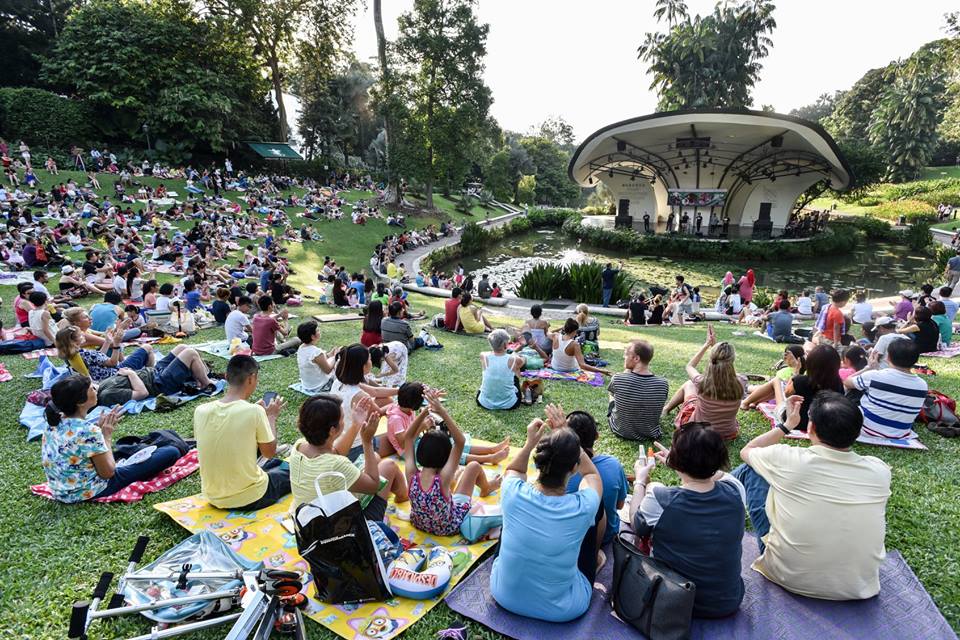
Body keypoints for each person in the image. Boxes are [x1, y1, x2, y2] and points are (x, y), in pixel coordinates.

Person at [734, 392, 891, 600]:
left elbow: (748, 449)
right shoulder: (880, 471)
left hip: (788, 575)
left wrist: (787, 425)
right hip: (858, 585)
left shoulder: (787, 459)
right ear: (857, 431)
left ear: (811, 428)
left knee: (752, 469)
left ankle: (705, 499)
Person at [490, 414, 602, 623]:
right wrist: (569, 438)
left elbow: (514, 469)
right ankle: (596, 560)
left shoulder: (512, 491)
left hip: (503, 595)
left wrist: (529, 442)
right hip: (564, 609)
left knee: (511, 516)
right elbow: (592, 476)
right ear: (574, 467)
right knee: (596, 508)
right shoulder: (582, 506)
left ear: (538, 461)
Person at [630, 423, 746, 618]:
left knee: (652, 488)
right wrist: (686, 463)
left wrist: (640, 482)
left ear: (677, 459)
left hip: (673, 599)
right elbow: (716, 475)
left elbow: (636, 524)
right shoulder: (735, 489)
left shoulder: (660, 499)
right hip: (727, 601)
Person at [41, 375, 180, 503]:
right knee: (171, 452)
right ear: (80, 402)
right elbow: (108, 473)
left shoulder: (53, 423)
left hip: (61, 491)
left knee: (127, 453)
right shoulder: (88, 431)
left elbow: (77, 446)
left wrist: (99, 433)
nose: (96, 389)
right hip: (89, 491)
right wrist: (105, 435)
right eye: (91, 388)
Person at [288, 394, 407, 520]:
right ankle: (403, 496)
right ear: (332, 430)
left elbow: (335, 453)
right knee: (389, 466)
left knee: (375, 458)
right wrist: (367, 442)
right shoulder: (336, 464)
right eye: (343, 418)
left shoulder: (299, 446)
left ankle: (402, 494)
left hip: (305, 520)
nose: (344, 421)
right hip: (342, 526)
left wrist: (356, 424)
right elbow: (373, 486)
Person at [194, 355, 289, 510]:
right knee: (290, 471)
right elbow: (269, 452)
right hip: (250, 498)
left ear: (226, 377)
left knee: (274, 465)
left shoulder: (200, 411)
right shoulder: (254, 411)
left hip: (212, 496)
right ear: (251, 378)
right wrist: (271, 417)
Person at [403, 392, 501, 536]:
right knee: (473, 466)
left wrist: (425, 411)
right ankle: (486, 488)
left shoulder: (411, 474)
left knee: (454, 486)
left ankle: (480, 487)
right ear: (446, 457)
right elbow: (460, 441)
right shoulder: (443, 478)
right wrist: (441, 411)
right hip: (447, 528)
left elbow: (408, 438)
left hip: (420, 524)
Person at [662, 325, 746, 440]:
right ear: (732, 360)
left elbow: (689, 366)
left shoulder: (702, 381)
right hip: (728, 433)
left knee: (689, 384)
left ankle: (666, 409)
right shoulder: (741, 381)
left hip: (699, 431)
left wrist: (707, 344)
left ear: (712, 359)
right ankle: (666, 409)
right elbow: (726, 367)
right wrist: (715, 347)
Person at [844, 339, 927, 439]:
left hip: (867, 429)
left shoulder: (874, 376)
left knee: (855, 390)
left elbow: (847, 382)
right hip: (901, 433)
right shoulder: (923, 385)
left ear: (888, 357)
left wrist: (868, 368)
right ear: (916, 360)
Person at [566, 411, 627, 545]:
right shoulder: (614, 465)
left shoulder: (561, 471)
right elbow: (620, 505)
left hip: (574, 541)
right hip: (608, 537)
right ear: (597, 436)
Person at [330, 344, 399, 460]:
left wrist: (400, 391)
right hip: (356, 447)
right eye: (370, 359)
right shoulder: (359, 395)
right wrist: (396, 405)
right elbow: (378, 414)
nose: (371, 361)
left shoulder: (339, 383)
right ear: (363, 366)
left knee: (385, 399)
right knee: (400, 441)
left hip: (338, 439)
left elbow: (375, 391)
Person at [607, 340, 668, 440]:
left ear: (636, 358)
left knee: (612, 393)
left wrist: (626, 372)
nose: (624, 357)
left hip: (621, 431)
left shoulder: (618, 378)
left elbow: (615, 393)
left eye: (626, 354)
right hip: (650, 434)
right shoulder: (663, 383)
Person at [56, 325, 154, 381]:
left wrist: (107, 341)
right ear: (73, 341)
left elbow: (98, 358)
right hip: (116, 375)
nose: (83, 335)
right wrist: (116, 344)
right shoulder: (85, 354)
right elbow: (113, 363)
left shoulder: (72, 355)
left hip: (104, 377)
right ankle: (151, 374)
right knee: (147, 347)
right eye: (80, 335)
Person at [477, 329, 526, 411]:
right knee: (515, 372)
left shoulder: (483, 355)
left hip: (485, 402)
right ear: (505, 344)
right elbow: (521, 361)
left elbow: (501, 355)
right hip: (510, 403)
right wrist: (522, 345)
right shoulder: (515, 359)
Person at [296, 321, 339, 393]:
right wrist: (335, 357)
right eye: (318, 330)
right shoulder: (316, 352)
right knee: (338, 363)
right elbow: (328, 370)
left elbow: (319, 360)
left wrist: (330, 354)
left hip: (308, 385)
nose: (320, 331)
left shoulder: (301, 347)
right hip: (320, 386)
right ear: (312, 337)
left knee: (332, 360)